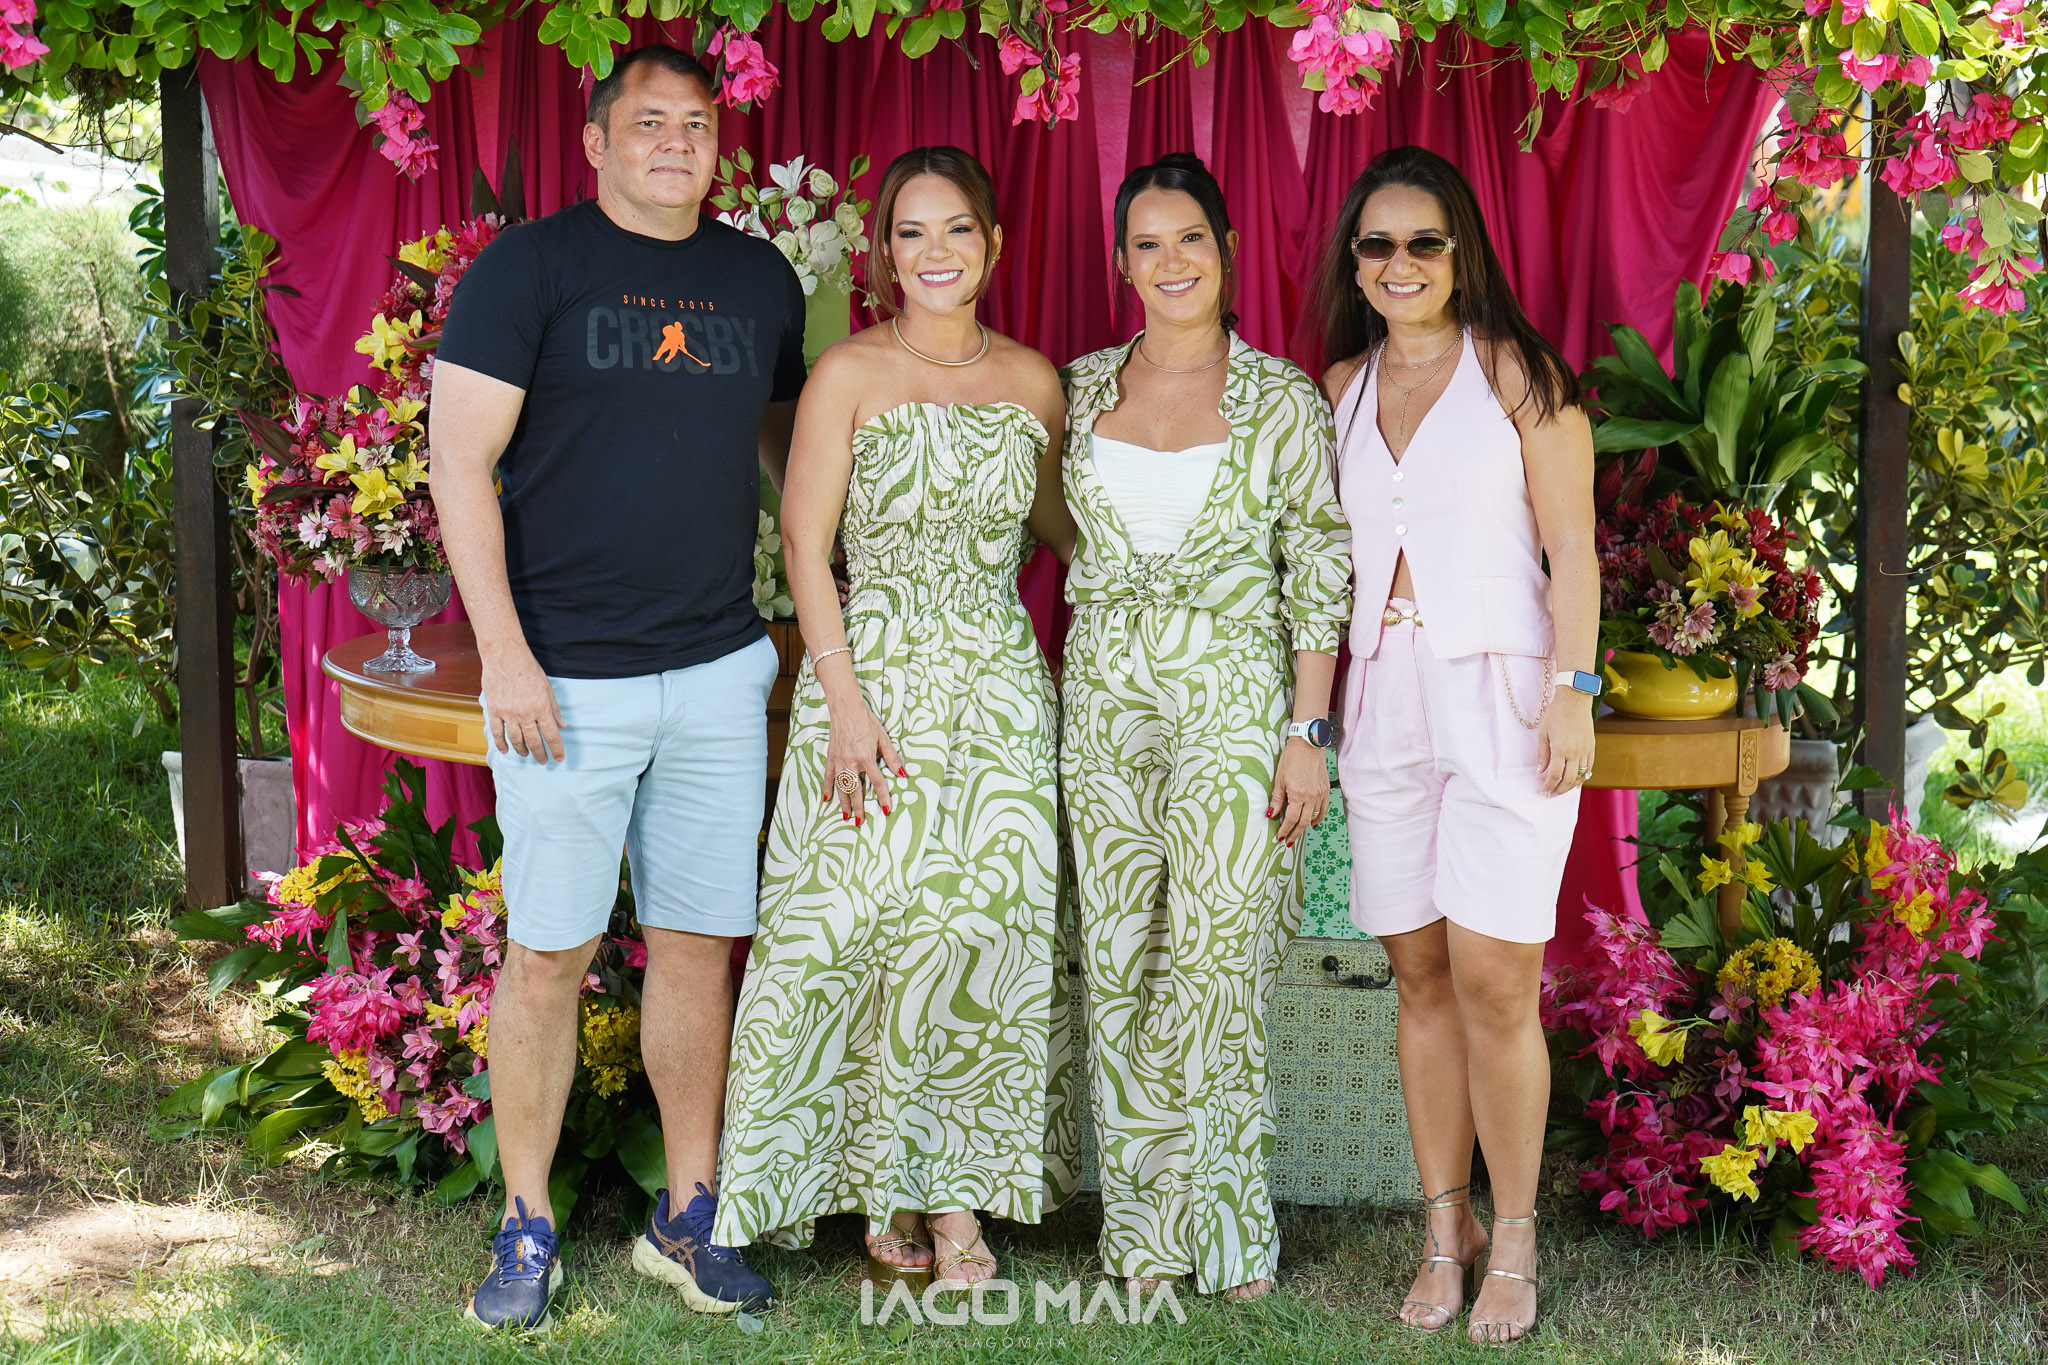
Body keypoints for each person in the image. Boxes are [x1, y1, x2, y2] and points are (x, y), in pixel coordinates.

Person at [429, 44, 804, 1330]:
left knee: (697, 948)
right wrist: (507, 656)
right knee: (549, 956)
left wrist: (837, 574)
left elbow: (785, 446)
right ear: (595, 143)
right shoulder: (526, 269)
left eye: (696, 123)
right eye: (648, 123)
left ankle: (685, 1214)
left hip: (715, 669)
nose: (675, 142)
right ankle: (525, 1222)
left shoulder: (758, 279)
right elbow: (457, 466)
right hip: (565, 682)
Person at [710, 146, 1081, 1292]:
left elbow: (1070, 535)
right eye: (911, 233)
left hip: (998, 687)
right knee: (863, 931)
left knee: (982, 933)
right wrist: (841, 701)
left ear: (993, 244)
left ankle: (950, 1197)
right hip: (868, 675)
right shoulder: (848, 373)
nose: (935, 252)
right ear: (882, 253)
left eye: (956, 228)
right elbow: (804, 545)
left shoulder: (1033, 383)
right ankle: (882, 1181)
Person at [1310, 145, 1598, 1346]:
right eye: (1376, 244)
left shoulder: (1517, 376)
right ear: (1354, 263)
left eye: (1422, 241)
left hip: (1502, 695)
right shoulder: (1336, 387)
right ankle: (1445, 1230)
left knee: (1493, 977)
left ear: (1460, 252)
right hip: (1383, 702)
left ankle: (1514, 1235)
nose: (1400, 263)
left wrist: (1573, 689)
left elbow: (1571, 547)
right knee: (1418, 974)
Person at [1059, 153, 1351, 1302]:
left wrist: (1305, 732)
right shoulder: (1079, 389)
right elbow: (1048, 525)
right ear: (1117, 261)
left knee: (1217, 963)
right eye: (1147, 243)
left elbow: (1318, 563)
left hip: (1233, 703)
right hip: (1102, 703)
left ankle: (1227, 1232)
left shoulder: (1280, 397)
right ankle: (1142, 1235)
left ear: (1225, 251)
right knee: (1121, 961)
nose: (1169, 261)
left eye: (1189, 238)